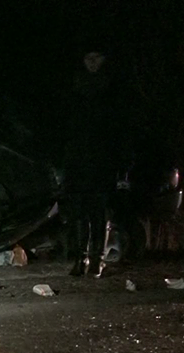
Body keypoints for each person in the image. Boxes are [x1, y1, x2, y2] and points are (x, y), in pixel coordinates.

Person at [62, 49, 125, 278]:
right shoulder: (74, 88)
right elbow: (67, 127)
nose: (92, 63)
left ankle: (96, 261)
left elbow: (118, 129)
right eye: (88, 58)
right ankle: (80, 259)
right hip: (78, 160)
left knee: (98, 212)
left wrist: (118, 162)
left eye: (97, 58)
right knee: (79, 212)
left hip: (101, 160)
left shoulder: (111, 89)